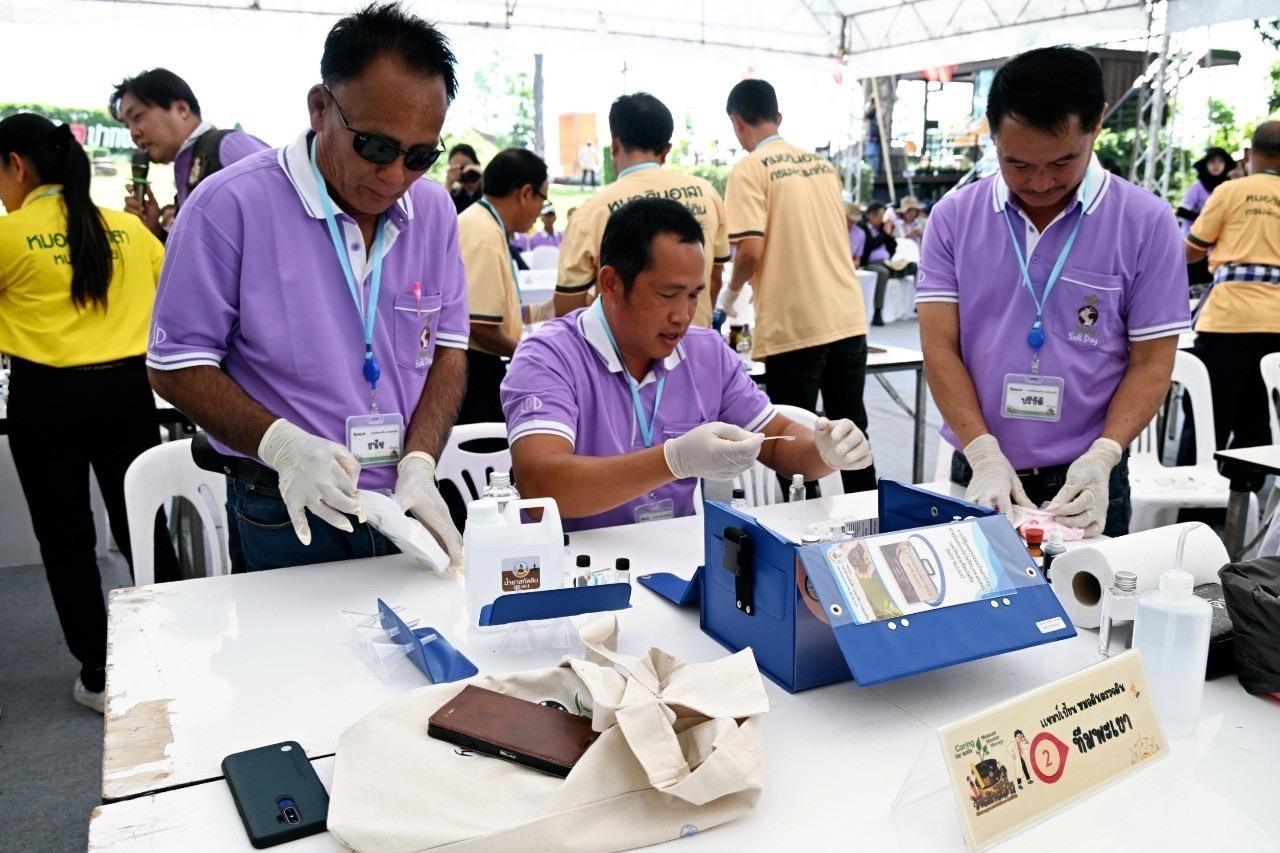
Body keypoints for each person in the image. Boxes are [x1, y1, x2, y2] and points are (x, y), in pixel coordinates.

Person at [147, 2, 470, 572]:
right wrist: (285, 447)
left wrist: (420, 459)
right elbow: (176, 365)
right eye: (375, 146)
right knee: (300, 661)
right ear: (321, 107)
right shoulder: (230, 206)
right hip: (286, 503)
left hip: (405, 501)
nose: (394, 176)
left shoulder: (435, 210)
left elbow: (447, 347)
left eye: (420, 156)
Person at [917, 46, 1190, 537]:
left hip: (1085, 478)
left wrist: (1105, 455)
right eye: (1017, 164)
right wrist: (981, 451)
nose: (1041, 182)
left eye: (1063, 162)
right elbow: (940, 347)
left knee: (1088, 611)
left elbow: (1152, 362)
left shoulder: (1146, 223)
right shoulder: (954, 219)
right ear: (993, 133)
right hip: (982, 466)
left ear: (1098, 123)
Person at [501, 197, 873, 531]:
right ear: (611, 284)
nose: (682, 315)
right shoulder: (549, 357)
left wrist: (825, 453)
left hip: (673, 563)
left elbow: (775, 443)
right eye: (667, 295)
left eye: (694, 295)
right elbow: (541, 486)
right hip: (570, 568)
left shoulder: (706, 354)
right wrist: (673, 460)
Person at [0, 113, 171, 712]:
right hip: (127, 392)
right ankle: (176, 645)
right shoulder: (126, 228)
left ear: (16, 165)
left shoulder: (10, 234)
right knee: (144, 524)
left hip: (45, 399)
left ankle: (100, 673)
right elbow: (171, 293)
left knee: (66, 537)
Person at [718, 78, 875, 495]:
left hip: (794, 323)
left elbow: (749, 250)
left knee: (795, 441)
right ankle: (872, 523)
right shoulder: (823, 167)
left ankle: (803, 543)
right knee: (851, 433)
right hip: (845, 315)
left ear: (737, 122)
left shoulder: (750, 169)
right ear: (778, 117)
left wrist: (729, 296)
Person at [554, 92, 730, 327]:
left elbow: (568, 306)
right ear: (667, 150)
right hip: (696, 348)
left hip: (623, 357)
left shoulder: (592, 211)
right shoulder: (706, 193)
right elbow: (715, 279)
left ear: (615, 144)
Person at [1183, 122, 1280, 493]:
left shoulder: (1231, 190)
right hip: (1276, 324)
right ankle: (1244, 498)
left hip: (1228, 320)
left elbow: (1193, 246)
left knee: (1209, 414)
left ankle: (1194, 499)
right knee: (1257, 416)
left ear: (1251, 156)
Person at [110, 67, 268, 237]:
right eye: (127, 126)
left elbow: (287, 208)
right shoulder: (186, 171)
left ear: (181, 109)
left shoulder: (226, 146)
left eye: (137, 117)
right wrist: (155, 230)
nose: (133, 133)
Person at [457, 147, 551, 425]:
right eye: (542, 200)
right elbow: (481, 326)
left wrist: (543, 310)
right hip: (475, 371)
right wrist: (530, 356)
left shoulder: (484, 225)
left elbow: (492, 311)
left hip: (477, 367)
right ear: (525, 193)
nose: (540, 212)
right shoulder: (483, 234)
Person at [1177, 147, 1237, 292]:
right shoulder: (1197, 187)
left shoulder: (1229, 187)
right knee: (1193, 287)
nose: (1216, 165)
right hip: (1194, 244)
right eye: (1212, 162)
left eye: (1220, 162)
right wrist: (1208, 220)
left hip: (1217, 247)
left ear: (1225, 165)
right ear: (1206, 165)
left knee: (1212, 287)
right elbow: (1182, 211)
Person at [850, 201, 913, 327]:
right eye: (880, 216)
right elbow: (870, 245)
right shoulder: (861, 228)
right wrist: (884, 233)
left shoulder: (881, 228)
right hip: (870, 263)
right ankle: (877, 311)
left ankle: (917, 303)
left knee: (913, 267)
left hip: (887, 261)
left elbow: (893, 246)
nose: (882, 219)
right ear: (872, 215)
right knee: (883, 273)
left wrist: (888, 233)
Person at [445, 142, 483, 213]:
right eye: (456, 168)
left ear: (476, 164)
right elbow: (439, 212)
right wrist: (448, 183)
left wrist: (482, 176)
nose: (461, 171)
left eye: (465, 166)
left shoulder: (489, 190)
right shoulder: (453, 195)